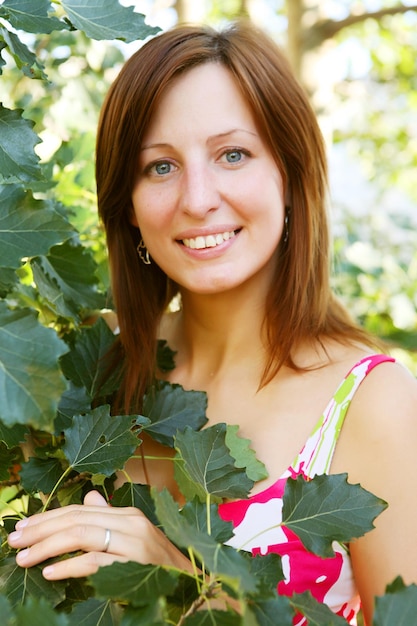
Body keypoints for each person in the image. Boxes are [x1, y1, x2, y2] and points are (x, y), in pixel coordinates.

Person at [7, 21, 417, 625]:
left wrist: (179, 577)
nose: (198, 198)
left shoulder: (373, 404)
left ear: (291, 177)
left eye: (233, 154)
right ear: (129, 207)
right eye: (160, 167)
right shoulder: (89, 369)